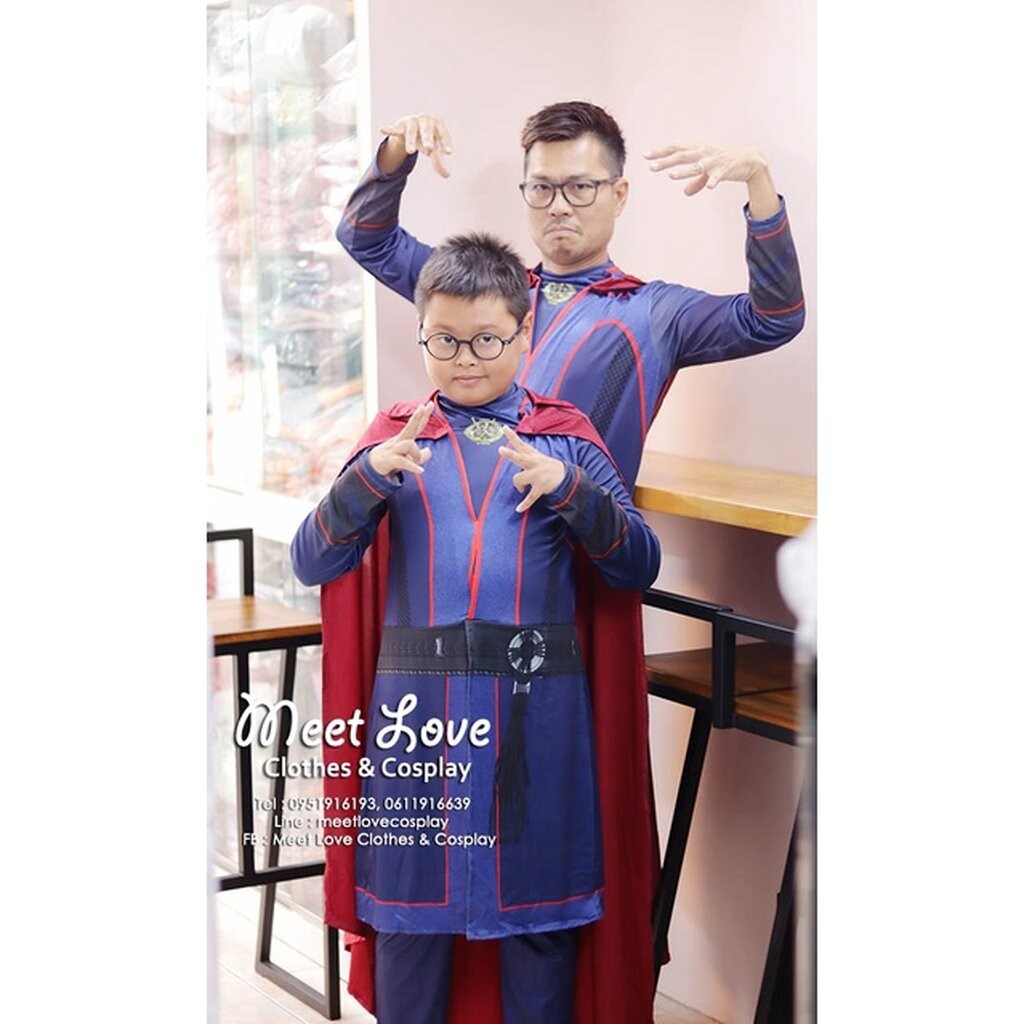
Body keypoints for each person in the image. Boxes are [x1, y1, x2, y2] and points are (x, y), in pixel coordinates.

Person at [292, 233, 662, 1024]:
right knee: (409, 930)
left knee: (540, 930)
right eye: (444, 341)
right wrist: (363, 483)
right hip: (416, 728)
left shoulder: (565, 438)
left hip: (539, 726)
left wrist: (572, 490)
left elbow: (637, 565)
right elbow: (312, 560)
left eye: (488, 340)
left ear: (524, 334)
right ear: (422, 332)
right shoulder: (392, 439)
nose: (465, 360)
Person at [337, 100, 806, 489]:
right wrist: (397, 152)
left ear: (619, 195)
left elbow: (773, 318)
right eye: (542, 188)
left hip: (577, 552)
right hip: (458, 546)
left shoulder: (654, 313)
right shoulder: (481, 292)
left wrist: (759, 184)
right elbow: (365, 238)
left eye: (580, 187)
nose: (559, 206)